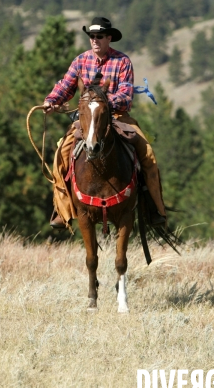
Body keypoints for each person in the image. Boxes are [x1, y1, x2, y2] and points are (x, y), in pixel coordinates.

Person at [44, 16, 166, 229]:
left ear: (109, 38)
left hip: (118, 118)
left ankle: (154, 208)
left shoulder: (123, 62)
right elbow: (65, 86)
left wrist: (102, 104)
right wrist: (51, 100)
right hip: (85, 120)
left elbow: (126, 95)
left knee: (148, 155)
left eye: (99, 36)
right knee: (60, 157)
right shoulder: (80, 61)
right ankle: (62, 210)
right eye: (92, 36)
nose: (95, 40)